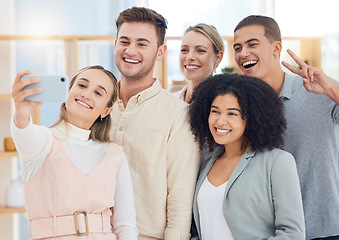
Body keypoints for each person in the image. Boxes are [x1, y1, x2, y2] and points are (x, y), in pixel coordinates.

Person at [233, 15, 339, 240]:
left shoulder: (319, 91)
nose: (243, 53)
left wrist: (330, 89)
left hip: (326, 231)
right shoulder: (239, 107)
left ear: (276, 48)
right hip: (272, 234)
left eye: (252, 44)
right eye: (237, 47)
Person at [11, 66, 138, 239]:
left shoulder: (115, 154)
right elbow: (23, 132)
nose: (86, 94)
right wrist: (20, 111)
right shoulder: (41, 141)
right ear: (68, 91)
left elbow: (126, 225)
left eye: (98, 93)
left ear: (106, 111)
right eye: (82, 86)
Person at [110, 7, 200, 240]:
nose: (130, 50)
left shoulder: (178, 115)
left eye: (142, 44)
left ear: (160, 52)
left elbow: (180, 199)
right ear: (115, 43)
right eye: (124, 41)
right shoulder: (95, 106)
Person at [189, 73, 305, 239]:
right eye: (215, 111)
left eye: (232, 114)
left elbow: (292, 234)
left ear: (253, 118)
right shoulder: (205, 166)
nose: (220, 121)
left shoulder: (277, 162)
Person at [173, 23, 224, 103]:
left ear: (217, 58)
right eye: (184, 50)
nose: (189, 57)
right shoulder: (169, 102)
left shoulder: (224, 105)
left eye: (200, 50)